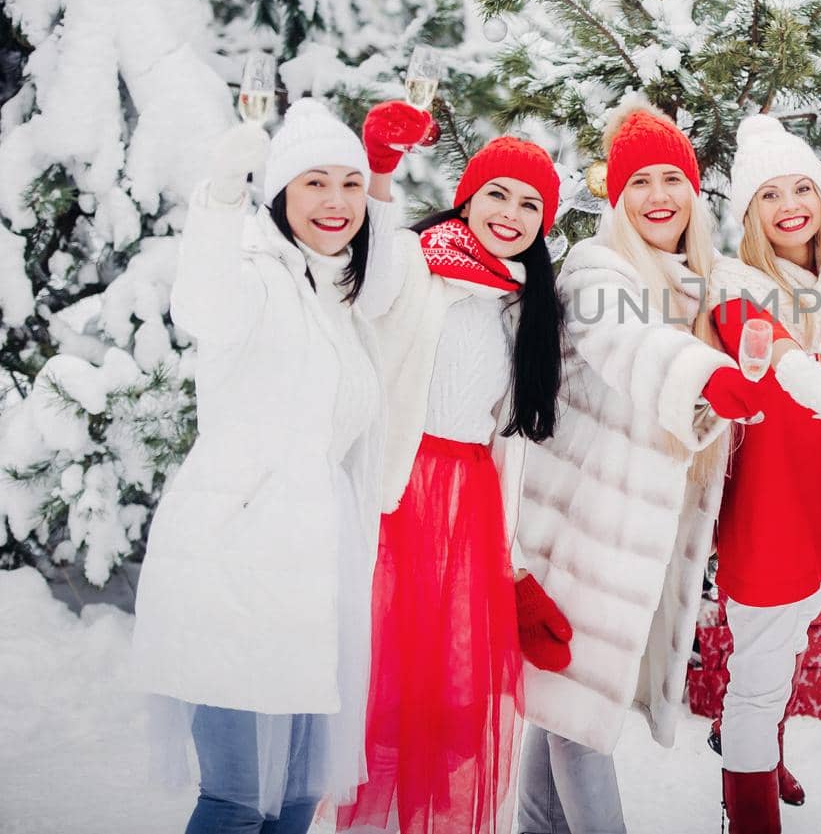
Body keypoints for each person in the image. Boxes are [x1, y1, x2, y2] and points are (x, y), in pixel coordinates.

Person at [132, 98, 416, 833]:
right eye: (315, 182)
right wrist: (221, 196)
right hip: (237, 560)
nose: (336, 201)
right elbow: (203, 303)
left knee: (294, 802)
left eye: (349, 185)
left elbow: (386, 282)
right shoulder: (255, 271)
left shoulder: (337, 296)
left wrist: (382, 174)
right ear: (282, 193)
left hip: (316, 575)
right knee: (235, 796)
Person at [509, 95, 762, 834]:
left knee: (560, 716)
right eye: (639, 183)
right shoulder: (597, 269)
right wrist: (709, 378)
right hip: (581, 542)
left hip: (628, 550)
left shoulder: (702, 284)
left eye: (672, 180)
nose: (658, 196)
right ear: (616, 198)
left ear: (693, 192)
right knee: (580, 726)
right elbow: (632, 345)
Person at [338, 126, 569, 834]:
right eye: (496, 192)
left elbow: (514, 441)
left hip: (469, 505)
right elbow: (369, 275)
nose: (510, 212)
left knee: (454, 695)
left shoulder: (526, 303)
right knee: (382, 682)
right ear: (466, 199)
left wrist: (516, 566)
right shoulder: (416, 261)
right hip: (398, 491)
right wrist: (378, 171)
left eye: (530, 203)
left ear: (543, 224)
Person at [704, 114, 821, 832]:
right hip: (770, 511)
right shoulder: (735, 282)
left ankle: (763, 747)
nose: (790, 206)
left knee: (789, 641)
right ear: (749, 213)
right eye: (769, 195)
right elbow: (788, 366)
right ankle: (746, 802)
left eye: (801, 187)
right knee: (757, 676)